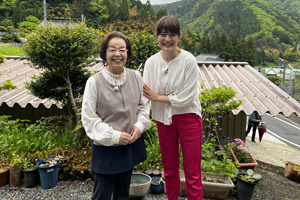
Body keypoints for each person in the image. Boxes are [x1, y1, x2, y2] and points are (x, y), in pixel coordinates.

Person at [81, 31, 151, 200]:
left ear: (128, 53)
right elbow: (89, 118)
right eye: (112, 49)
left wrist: (139, 126)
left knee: (122, 194)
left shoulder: (135, 76)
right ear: (104, 53)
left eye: (122, 49)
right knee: (102, 195)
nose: (118, 54)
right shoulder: (94, 81)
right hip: (105, 147)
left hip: (128, 145)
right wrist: (114, 136)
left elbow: (144, 106)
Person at [143, 16, 203, 200]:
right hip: (163, 119)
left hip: (188, 118)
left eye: (172, 34)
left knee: (192, 172)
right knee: (169, 170)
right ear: (157, 37)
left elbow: (187, 97)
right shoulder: (151, 62)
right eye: (163, 34)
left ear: (179, 36)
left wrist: (158, 97)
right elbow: (145, 94)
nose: (167, 39)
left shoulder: (188, 60)